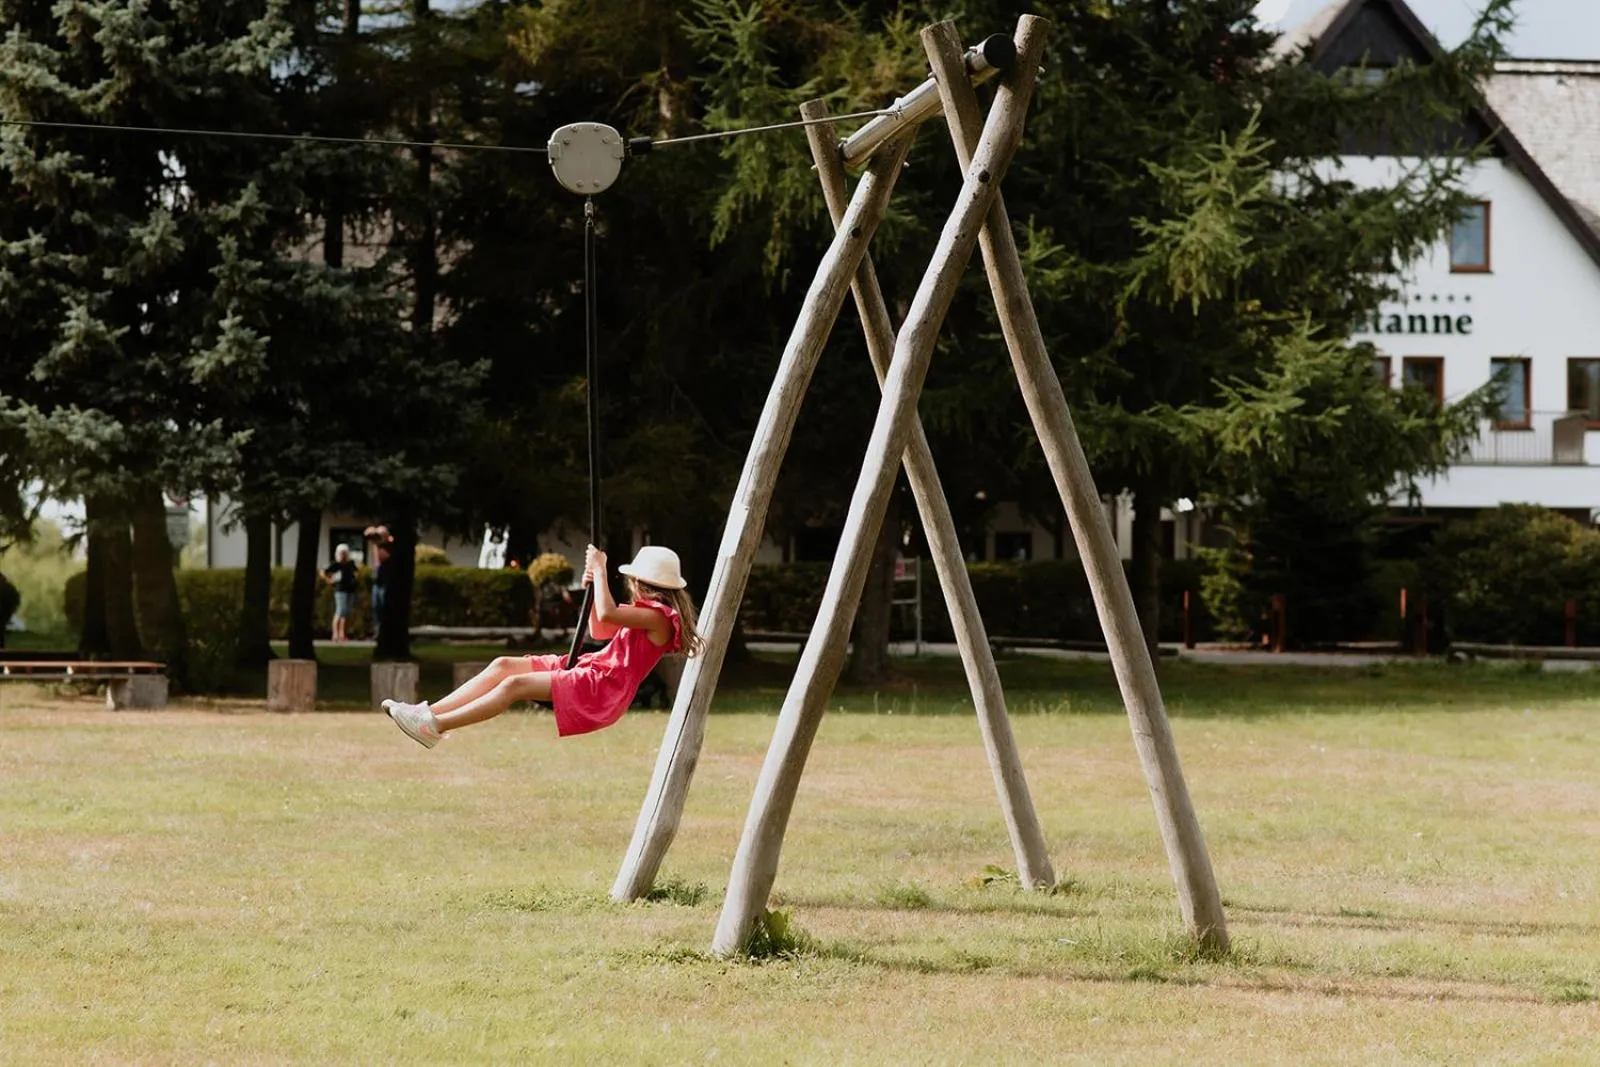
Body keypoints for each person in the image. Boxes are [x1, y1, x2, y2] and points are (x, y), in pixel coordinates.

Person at [383, 544, 701, 748]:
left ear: (637, 581)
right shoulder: (649, 613)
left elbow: (608, 613)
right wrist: (591, 590)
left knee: (514, 684)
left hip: (601, 686)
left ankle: (435, 726)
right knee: (503, 665)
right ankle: (426, 714)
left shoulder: (661, 617)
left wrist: (602, 570)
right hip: (590, 668)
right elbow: (600, 628)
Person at [322, 544, 359, 643]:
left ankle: (343, 634)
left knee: (347, 613)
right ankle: (335, 634)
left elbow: (356, 573)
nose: (343, 555)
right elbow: (323, 571)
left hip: (350, 590)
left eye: (345, 553)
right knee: (340, 611)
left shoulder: (351, 564)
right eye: (341, 553)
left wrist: (355, 577)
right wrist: (329, 580)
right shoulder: (336, 565)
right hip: (340, 590)